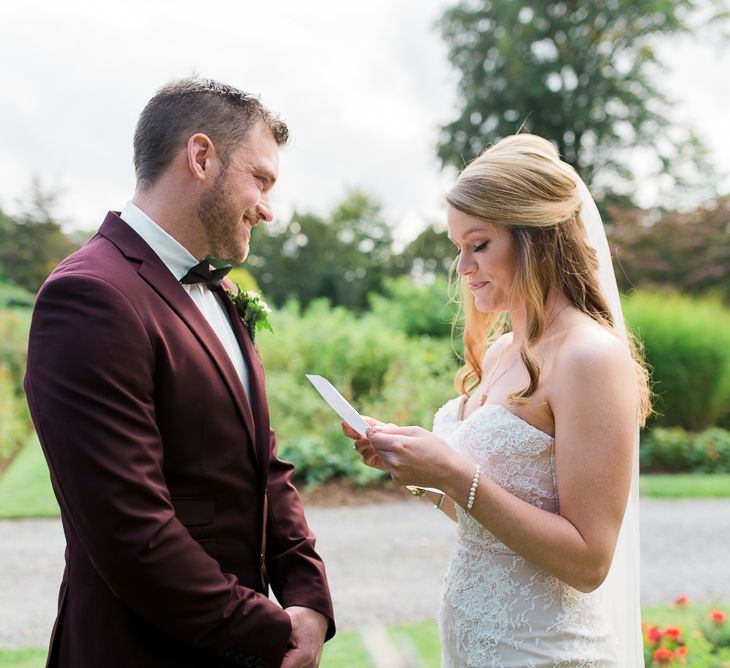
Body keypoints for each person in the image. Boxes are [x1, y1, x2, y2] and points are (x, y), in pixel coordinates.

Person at [25, 77, 334, 668]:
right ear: (200, 157)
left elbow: (262, 466)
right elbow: (130, 533)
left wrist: (308, 596)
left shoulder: (218, 291)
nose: (269, 209)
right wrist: (269, 630)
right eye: (261, 179)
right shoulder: (90, 296)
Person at [345, 134, 650, 666]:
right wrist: (418, 469)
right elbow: (489, 522)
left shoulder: (588, 357)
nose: (463, 267)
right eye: (457, 248)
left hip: (545, 652)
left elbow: (589, 560)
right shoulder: (505, 349)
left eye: (479, 244)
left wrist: (455, 475)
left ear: (537, 237)